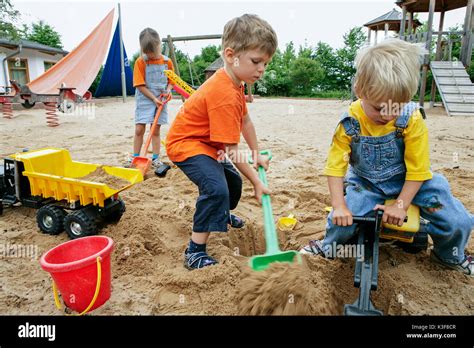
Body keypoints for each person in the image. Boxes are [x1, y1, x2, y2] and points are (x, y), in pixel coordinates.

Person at [301, 39, 473, 277]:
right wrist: (339, 206)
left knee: (458, 220)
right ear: (360, 91)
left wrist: (401, 204)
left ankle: (449, 255)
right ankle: (329, 247)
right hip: (366, 182)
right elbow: (335, 167)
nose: (388, 115)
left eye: (397, 107)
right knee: (343, 220)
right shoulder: (350, 122)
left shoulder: (412, 119)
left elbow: (418, 171)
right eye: (379, 108)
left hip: (411, 181)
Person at [166, 14, 278, 270]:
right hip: (186, 144)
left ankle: (221, 214)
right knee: (216, 190)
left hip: (208, 144)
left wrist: (257, 154)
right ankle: (195, 251)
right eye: (256, 61)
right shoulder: (223, 92)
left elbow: (245, 122)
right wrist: (258, 182)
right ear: (231, 55)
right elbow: (231, 149)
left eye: (266, 64)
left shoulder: (236, 83)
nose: (261, 69)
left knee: (232, 183)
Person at [127, 28, 174, 168]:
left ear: (159, 45)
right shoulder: (140, 62)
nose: (151, 55)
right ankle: (135, 157)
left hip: (161, 99)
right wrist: (153, 98)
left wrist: (168, 91)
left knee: (156, 130)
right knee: (139, 129)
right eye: (147, 53)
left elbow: (172, 81)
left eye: (153, 51)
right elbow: (139, 85)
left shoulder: (167, 62)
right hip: (145, 98)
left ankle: (155, 158)